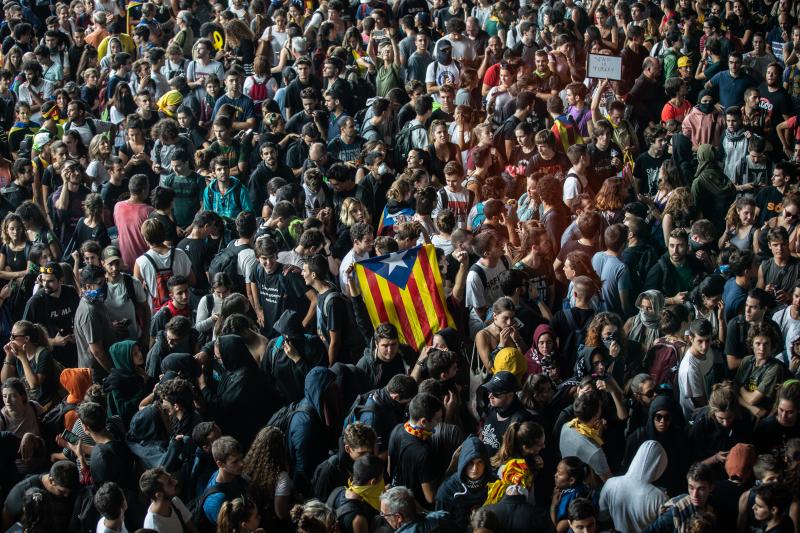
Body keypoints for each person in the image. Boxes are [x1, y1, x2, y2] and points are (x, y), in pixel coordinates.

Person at [388, 392, 443, 509]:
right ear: (423, 422)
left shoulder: (397, 429)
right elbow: (430, 498)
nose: (440, 422)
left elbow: (389, 469)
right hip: (416, 507)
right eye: (437, 419)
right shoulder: (424, 453)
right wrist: (451, 468)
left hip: (397, 496)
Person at [643, 462, 716, 532]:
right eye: (691, 488)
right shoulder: (675, 511)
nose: (694, 495)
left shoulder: (714, 504)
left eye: (701, 489)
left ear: (711, 488)